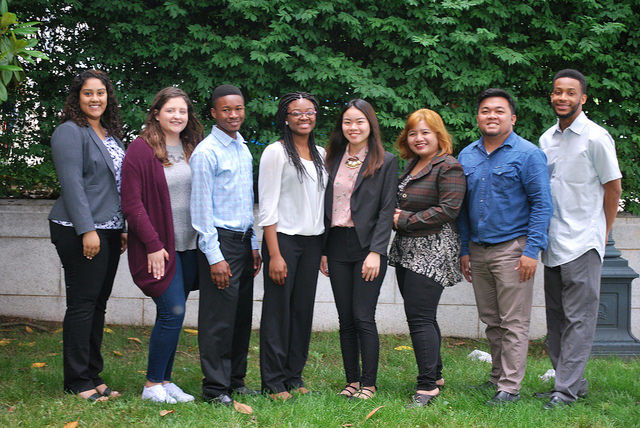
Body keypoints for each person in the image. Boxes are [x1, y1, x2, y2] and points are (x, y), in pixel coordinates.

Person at [457, 88, 553, 405]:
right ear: (477, 117)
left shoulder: (528, 154)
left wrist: (531, 251)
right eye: (486, 110)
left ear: (512, 118)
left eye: (499, 111)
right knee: (491, 319)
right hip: (478, 250)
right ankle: (497, 378)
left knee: (513, 322)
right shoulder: (467, 156)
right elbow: (462, 208)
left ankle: (510, 388)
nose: (492, 116)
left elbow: (542, 205)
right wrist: (464, 250)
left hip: (513, 249)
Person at [537, 69, 622, 409]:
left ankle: (565, 390)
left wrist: (602, 233)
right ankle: (570, 383)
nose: (562, 98)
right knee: (556, 320)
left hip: (584, 242)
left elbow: (613, 187)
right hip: (553, 243)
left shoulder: (596, 137)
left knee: (579, 320)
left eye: (570, 93)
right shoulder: (546, 140)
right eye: (558, 92)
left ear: (583, 98)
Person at [48, 69, 127, 402]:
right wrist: (88, 230)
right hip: (79, 229)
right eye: (88, 93)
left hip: (109, 230)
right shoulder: (69, 132)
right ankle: (77, 381)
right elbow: (73, 185)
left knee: (98, 305)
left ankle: (93, 374)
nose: (96, 99)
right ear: (77, 98)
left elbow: (117, 185)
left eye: (101, 92)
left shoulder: (110, 133)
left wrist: (119, 227)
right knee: (82, 305)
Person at [121, 87, 204, 403]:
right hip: (159, 248)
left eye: (182, 111)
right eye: (171, 110)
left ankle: (165, 381)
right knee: (172, 309)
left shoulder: (191, 147)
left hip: (188, 247)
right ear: (156, 113)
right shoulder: (140, 150)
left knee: (175, 314)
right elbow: (132, 204)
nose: (177, 116)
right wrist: (154, 245)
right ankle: (152, 384)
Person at [320, 99, 398, 400]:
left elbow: (385, 209)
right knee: (345, 318)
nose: (353, 127)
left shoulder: (385, 160)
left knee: (363, 315)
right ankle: (351, 380)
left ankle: (369, 383)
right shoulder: (332, 158)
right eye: (347, 122)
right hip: (337, 244)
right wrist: (325, 249)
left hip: (367, 247)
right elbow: (327, 207)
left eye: (359, 122)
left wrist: (377, 251)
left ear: (370, 125)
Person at [190, 84, 262, 406]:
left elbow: (247, 203)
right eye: (226, 110)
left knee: (240, 317)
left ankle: (236, 381)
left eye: (238, 109)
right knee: (218, 319)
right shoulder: (206, 152)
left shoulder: (242, 147)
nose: (234, 115)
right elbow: (201, 211)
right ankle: (215, 389)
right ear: (214, 113)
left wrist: (256, 244)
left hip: (245, 243)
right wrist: (215, 257)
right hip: (221, 245)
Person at [389, 109, 466, 407]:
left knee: (419, 317)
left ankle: (426, 387)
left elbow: (449, 209)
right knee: (422, 315)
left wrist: (404, 219)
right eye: (413, 133)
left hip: (433, 249)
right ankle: (435, 374)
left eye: (425, 132)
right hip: (407, 248)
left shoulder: (449, 166)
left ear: (438, 135)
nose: (419, 138)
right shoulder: (412, 164)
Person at [258, 92, 327, 401]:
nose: (304, 117)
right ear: (285, 118)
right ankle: (273, 383)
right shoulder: (276, 152)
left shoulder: (323, 154)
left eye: (309, 112)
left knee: (302, 312)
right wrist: (273, 254)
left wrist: (324, 248)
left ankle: (293, 376)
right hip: (282, 240)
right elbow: (267, 206)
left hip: (313, 242)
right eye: (297, 113)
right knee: (277, 313)